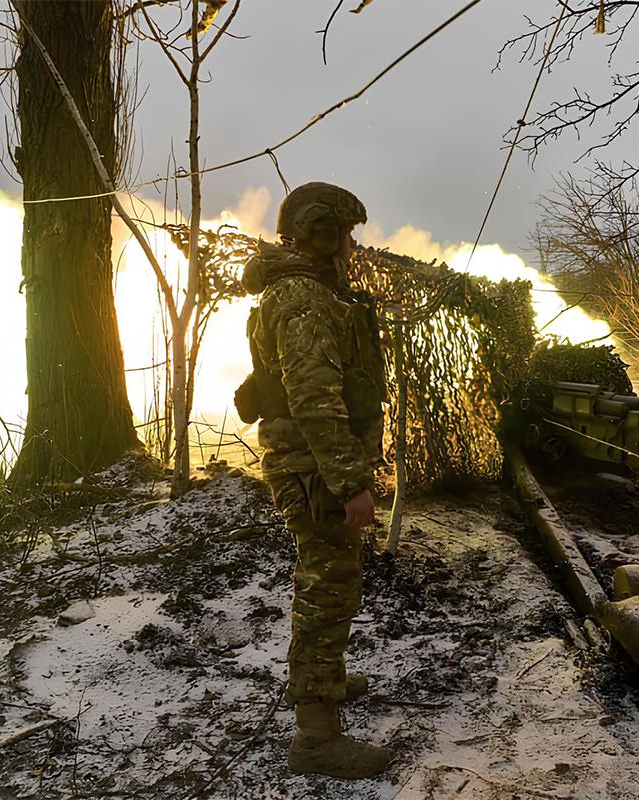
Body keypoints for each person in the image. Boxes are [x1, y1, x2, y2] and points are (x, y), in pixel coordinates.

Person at [237, 182, 390, 779]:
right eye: (346, 234)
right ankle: (316, 737)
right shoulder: (303, 297)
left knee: (327, 581)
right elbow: (315, 398)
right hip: (315, 468)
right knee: (328, 589)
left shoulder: (301, 291)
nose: (352, 247)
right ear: (324, 234)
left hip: (309, 463)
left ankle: (321, 682)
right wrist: (351, 483)